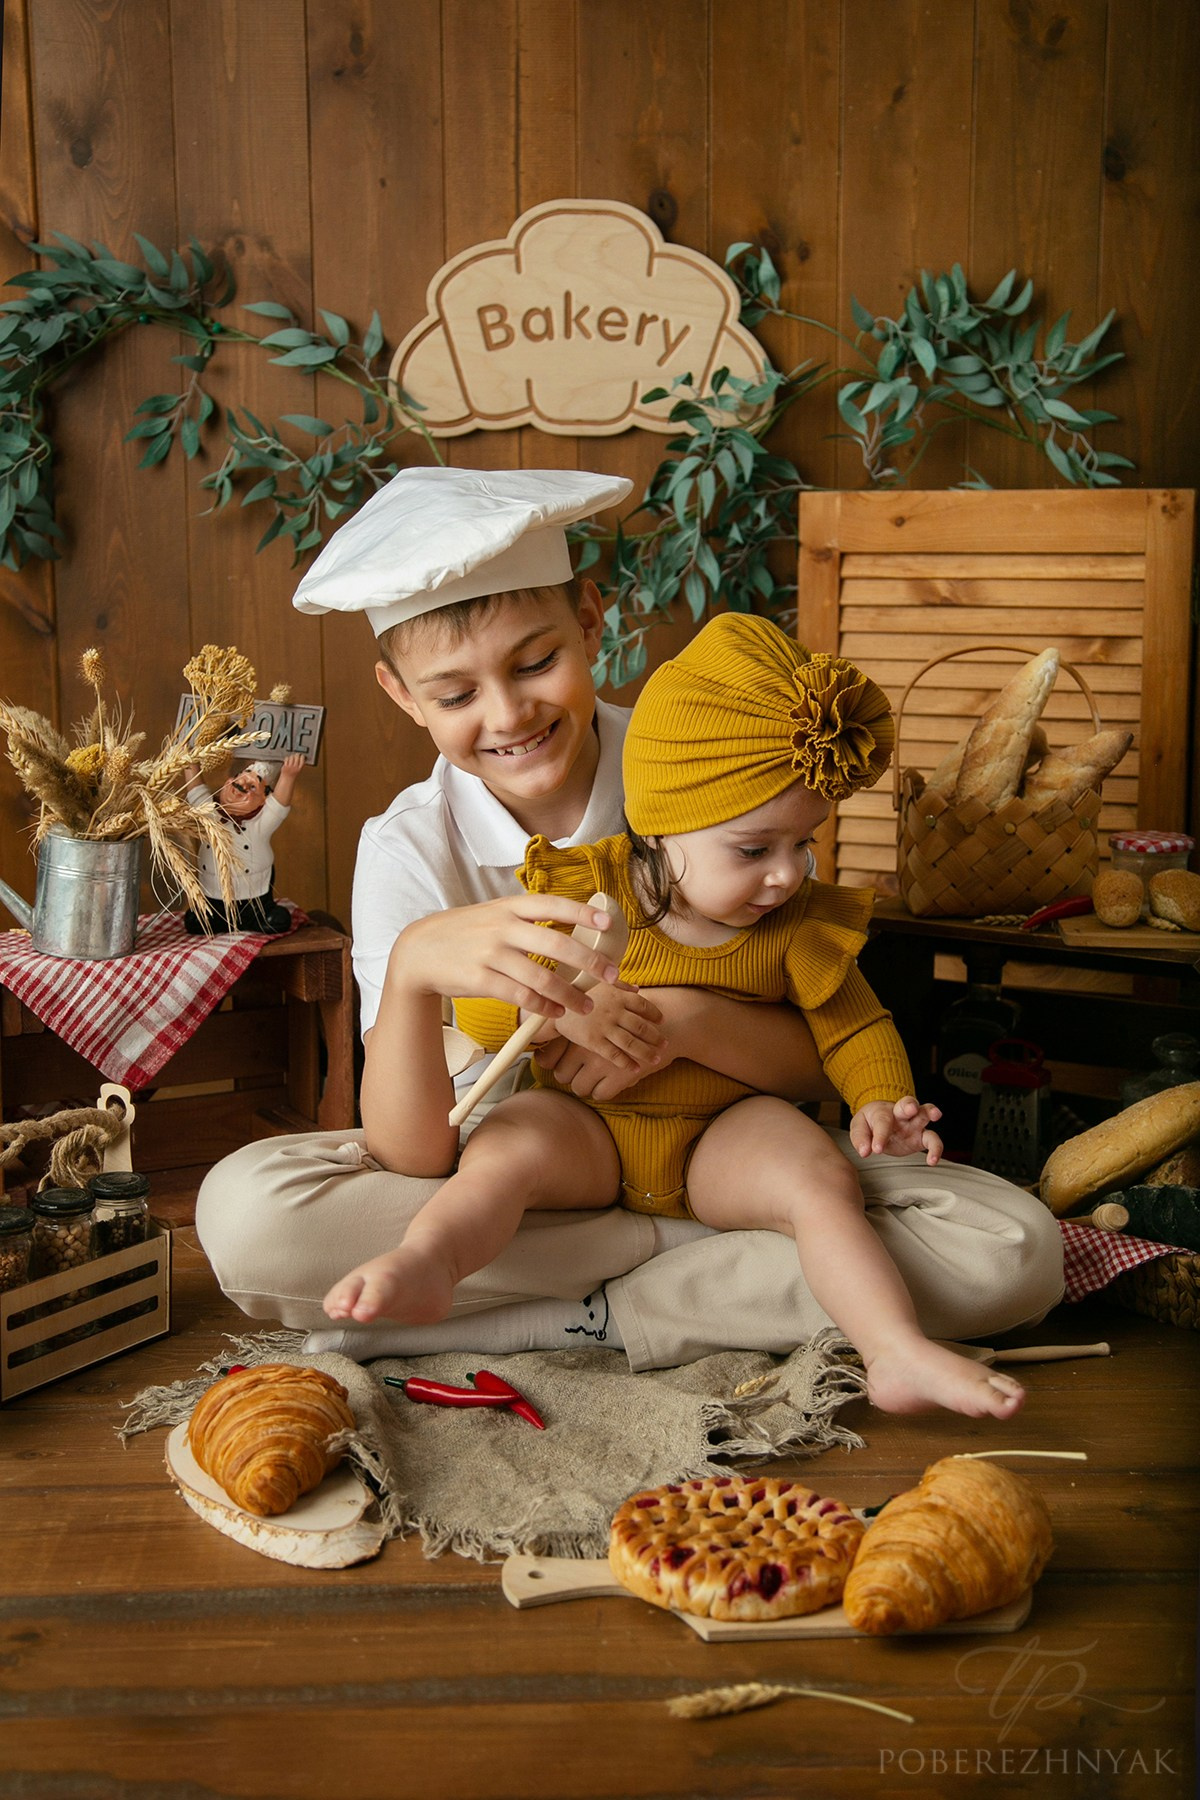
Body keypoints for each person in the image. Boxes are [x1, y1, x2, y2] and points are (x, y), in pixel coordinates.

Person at [194, 465, 1064, 1373]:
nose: (509, 712)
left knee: (1016, 1247)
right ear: (403, 695)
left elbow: (826, 1045)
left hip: (732, 1149)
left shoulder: (717, 772)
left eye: (537, 663)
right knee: (248, 1215)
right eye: (454, 696)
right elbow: (411, 1154)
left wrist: (681, 1026)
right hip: (538, 1174)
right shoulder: (411, 848)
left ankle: (548, 1309)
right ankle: (707, 1286)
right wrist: (416, 971)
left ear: (591, 620)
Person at [322, 613, 1027, 1420]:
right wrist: (559, 1012)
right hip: (586, 1132)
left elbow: (853, 1026)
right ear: (658, 822)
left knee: (822, 1181)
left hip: (720, 1139)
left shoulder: (795, 920)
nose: (787, 874)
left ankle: (893, 1348)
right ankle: (429, 1264)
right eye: (755, 851)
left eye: (803, 845)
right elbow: (488, 1020)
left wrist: (881, 1102)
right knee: (505, 1151)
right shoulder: (589, 891)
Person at [183, 754, 305, 934]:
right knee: (195, 921)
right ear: (228, 782)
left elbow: (278, 806)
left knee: (276, 921)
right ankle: (214, 919)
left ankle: (257, 918)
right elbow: (196, 793)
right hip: (213, 895)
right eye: (239, 781)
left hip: (254, 898)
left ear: (263, 799)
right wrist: (190, 761)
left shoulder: (260, 824)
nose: (242, 786)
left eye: (252, 787)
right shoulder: (210, 815)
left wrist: (288, 776)